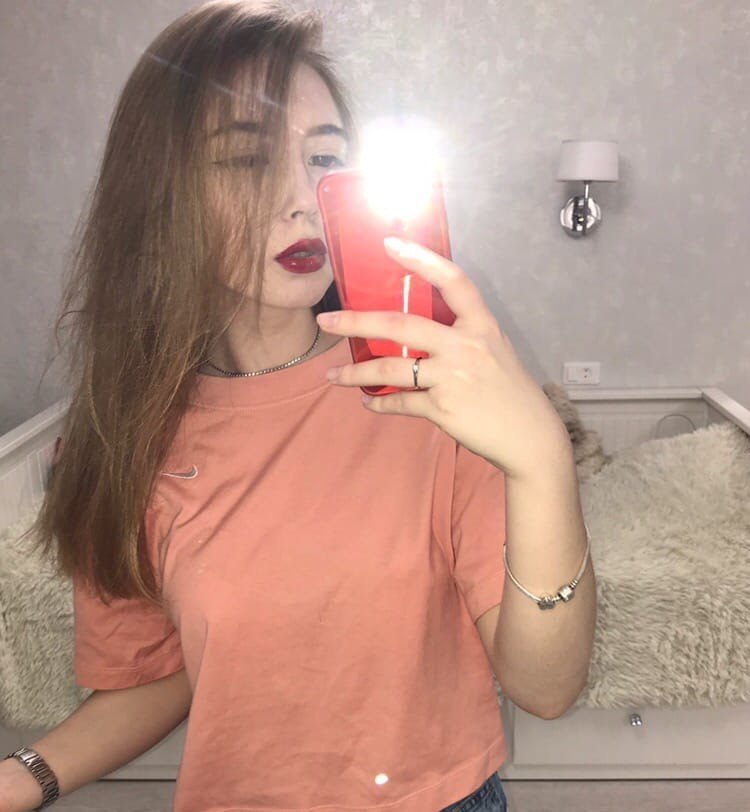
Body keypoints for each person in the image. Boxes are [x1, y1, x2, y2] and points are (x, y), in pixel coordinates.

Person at [6, 1, 597, 810]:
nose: (305, 198)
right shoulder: (122, 436)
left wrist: (541, 460)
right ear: (158, 193)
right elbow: (160, 673)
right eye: (246, 159)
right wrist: (23, 777)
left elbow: (547, 685)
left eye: (326, 159)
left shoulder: (424, 391)